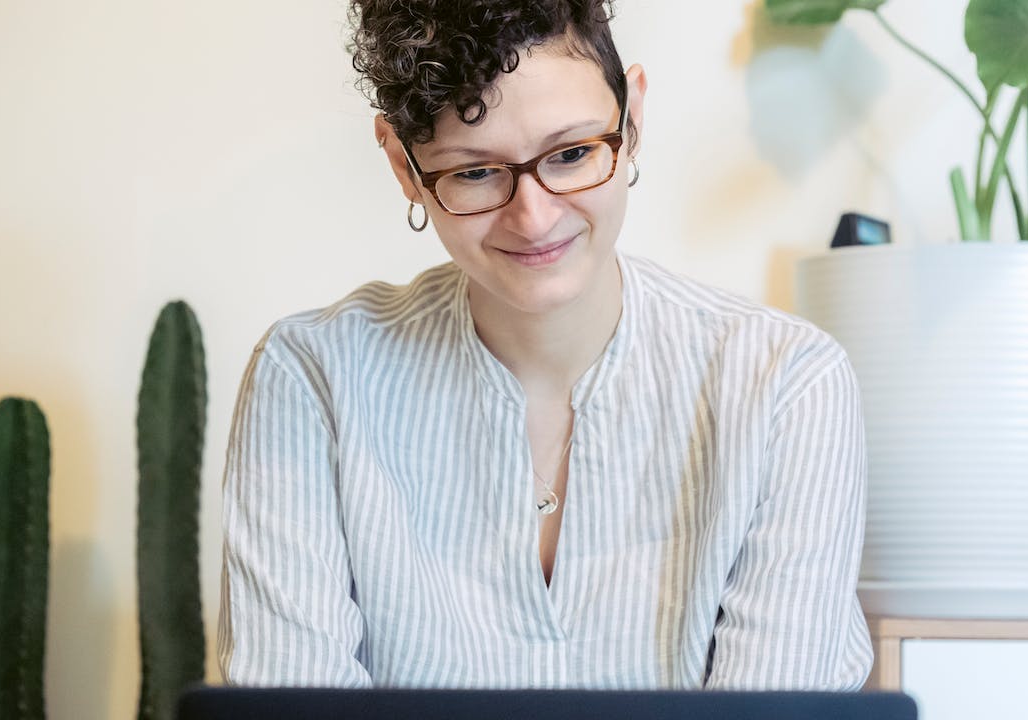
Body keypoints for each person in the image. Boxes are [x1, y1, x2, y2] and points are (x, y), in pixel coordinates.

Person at [218, 0, 872, 691]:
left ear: (633, 118)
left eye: (572, 154)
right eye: (474, 173)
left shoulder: (786, 386)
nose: (534, 218)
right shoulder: (310, 381)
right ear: (405, 166)